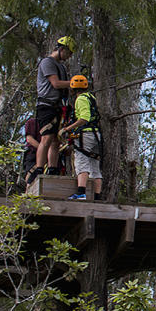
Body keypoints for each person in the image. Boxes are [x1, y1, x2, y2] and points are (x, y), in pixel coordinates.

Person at [26, 36, 75, 187]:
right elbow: (55, 83)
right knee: (46, 138)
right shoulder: (47, 62)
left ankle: (52, 169)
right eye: (68, 53)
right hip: (46, 106)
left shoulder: (60, 66)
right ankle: (39, 169)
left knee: (55, 140)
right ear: (61, 49)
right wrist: (75, 82)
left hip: (58, 106)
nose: (69, 57)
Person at [59, 75, 103, 201]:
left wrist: (67, 129)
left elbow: (84, 118)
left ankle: (81, 193)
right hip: (96, 135)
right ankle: (97, 197)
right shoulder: (91, 98)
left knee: (81, 162)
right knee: (95, 165)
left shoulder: (81, 99)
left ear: (72, 89)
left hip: (86, 135)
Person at [22, 116, 40, 187]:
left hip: (50, 157)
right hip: (33, 155)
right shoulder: (32, 122)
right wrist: (44, 150)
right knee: (31, 180)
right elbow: (29, 139)